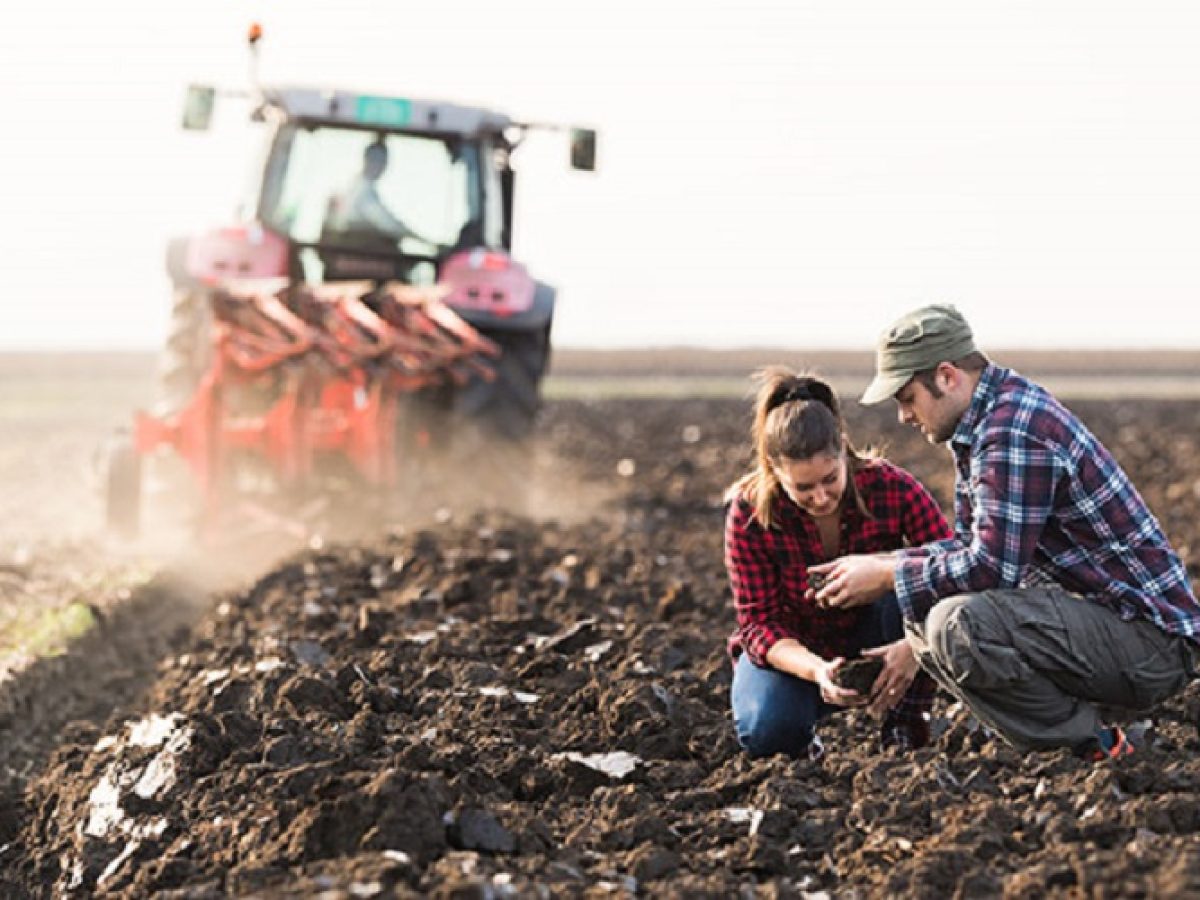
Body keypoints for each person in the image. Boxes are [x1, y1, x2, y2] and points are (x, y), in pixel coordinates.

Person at [810, 304, 1200, 760]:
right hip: (1112, 627)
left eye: (907, 397)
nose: (903, 416)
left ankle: (1095, 745)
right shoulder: (989, 420)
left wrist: (887, 576)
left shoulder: (1012, 430)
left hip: (1152, 644)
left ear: (947, 376)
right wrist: (884, 566)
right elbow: (971, 546)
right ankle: (1081, 732)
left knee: (956, 625)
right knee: (932, 614)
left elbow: (990, 568)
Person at [725, 368, 953, 758]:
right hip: (797, 648)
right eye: (803, 488)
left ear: (843, 451)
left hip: (881, 634)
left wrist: (915, 648)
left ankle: (904, 727)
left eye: (830, 479)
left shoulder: (892, 488)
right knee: (767, 732)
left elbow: (955, 567)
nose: (820, 497)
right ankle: (803, 741)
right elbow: (758, 623)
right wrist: (817, 671)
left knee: (912, 581)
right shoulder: (750, 514)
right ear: (774, 471)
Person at [324, 140, 433, 248]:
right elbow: (388, 224)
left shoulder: (353, 186)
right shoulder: (363, 191)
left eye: (384, 162)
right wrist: (422, 241)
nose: (382, 166)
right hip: (358, 249)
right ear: (366, 160)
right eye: (378, 160)